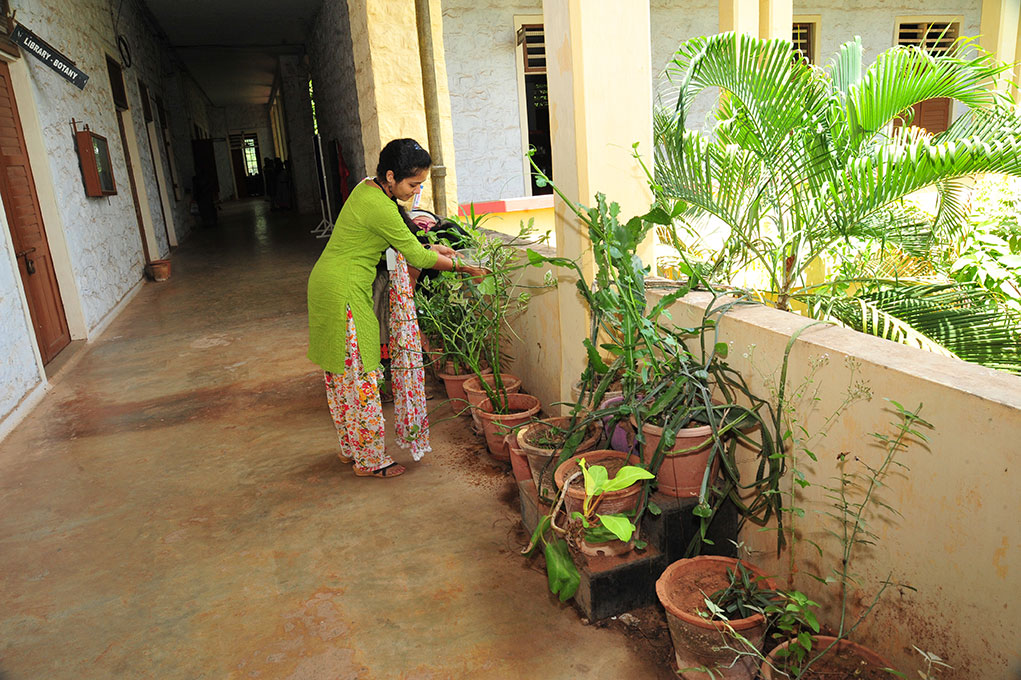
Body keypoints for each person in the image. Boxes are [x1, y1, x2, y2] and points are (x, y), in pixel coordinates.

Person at [307, 138, 485, 479]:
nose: (416, 191)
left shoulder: (366, 189)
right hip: (345, 290)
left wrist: (434, 247)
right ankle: (370, 459)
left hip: (325, 284)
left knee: (341, 373)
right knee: (361, 375)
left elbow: (407, 242)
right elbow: (416, 257)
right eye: (412, 184)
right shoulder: (382, 208)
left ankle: (351, 447)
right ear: (390, 176)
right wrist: (466, 267)